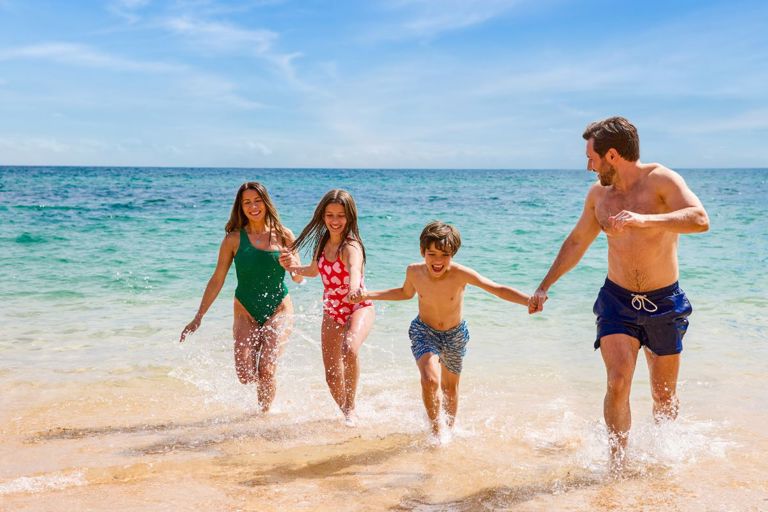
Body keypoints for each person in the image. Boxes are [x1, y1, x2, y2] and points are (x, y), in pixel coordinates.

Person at [528, 116, 709, 468]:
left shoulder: (662, 180)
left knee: (663, 395)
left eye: (592, 159)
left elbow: (700, 219)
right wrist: (544, 285)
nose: (589, 167)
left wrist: (645, 220)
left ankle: (663, 461)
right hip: (617, 301)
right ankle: (617, 466)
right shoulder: (599, 196)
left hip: (664, 302)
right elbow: (577, 242)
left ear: (612, 155)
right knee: (617, 381)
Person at [349, 221, 529, 440]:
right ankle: (436, 433)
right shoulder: (414, 271)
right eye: (431, 254)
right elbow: (405, 293)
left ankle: (449, 432)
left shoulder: (461, 274)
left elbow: (497, 289)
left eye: (444, 255)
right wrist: (368, 295)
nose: (437, 261)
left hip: (455, 335)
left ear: (453, 254)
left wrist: (528, 301)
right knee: (430, 380)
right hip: (424, 331)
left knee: (449, 389)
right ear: (422, 251)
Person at [179, 182, 303, 413]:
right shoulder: (233, 239)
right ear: (241, 207)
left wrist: (293, 264)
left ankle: (264, 415)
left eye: (257, 201)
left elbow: (298, 277)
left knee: (266, 369)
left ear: (266, 203)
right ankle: (268, 395)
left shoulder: (284, 235)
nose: (253, 207)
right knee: (245, 375)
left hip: (279, 309)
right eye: (247, 202)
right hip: (246, 310)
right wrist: (199, 316)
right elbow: (217, 279)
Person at [279, 189, 375, 426]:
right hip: (332, 310)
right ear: (322, 216)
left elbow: (354, 269)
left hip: (358, 306)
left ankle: (351, 409)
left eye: (341, 215)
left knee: (349, 349)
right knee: (332, 376)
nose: (335, 221)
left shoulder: (351, 246)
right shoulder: (322, 243)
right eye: (330, 215)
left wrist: (354, 288)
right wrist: (292, 268)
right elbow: (314, 271)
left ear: (350, 216)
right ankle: (347, 413)